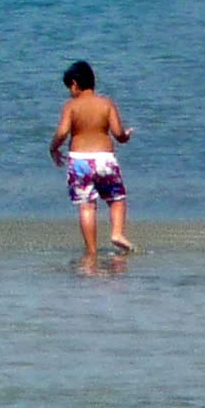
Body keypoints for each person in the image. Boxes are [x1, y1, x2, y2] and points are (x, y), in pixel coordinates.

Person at [50, 60, 133, 261]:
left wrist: (53, 148)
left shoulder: (71, 106)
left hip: (80, 161)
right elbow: (118, 133)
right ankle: (117, 233)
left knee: (87, 206)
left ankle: (92, 252)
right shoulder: (107, 104)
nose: (69, 92)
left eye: (69, 87)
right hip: (104, 158)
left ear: (75, 84)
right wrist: (125, 136)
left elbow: (62, 132)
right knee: (116, 199)